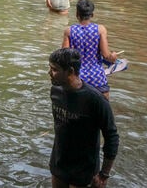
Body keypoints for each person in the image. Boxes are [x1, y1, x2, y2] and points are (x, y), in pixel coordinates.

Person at [48, 48, 119, 188]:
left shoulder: (95, 100)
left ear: (70, 71)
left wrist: (103, 175)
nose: (49, 73)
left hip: (84, 168)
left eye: (54, 69)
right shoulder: (55, 90)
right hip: (59, 162)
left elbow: (112, 137)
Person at [61, 0, 118, 100]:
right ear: (92, 14)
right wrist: (113, 57)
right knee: (103, 110)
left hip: (77, 78)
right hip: (97, 78)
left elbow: (64, 56)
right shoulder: (100, 30)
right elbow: (106, 56)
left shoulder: (69, 31)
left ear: (77, 13)